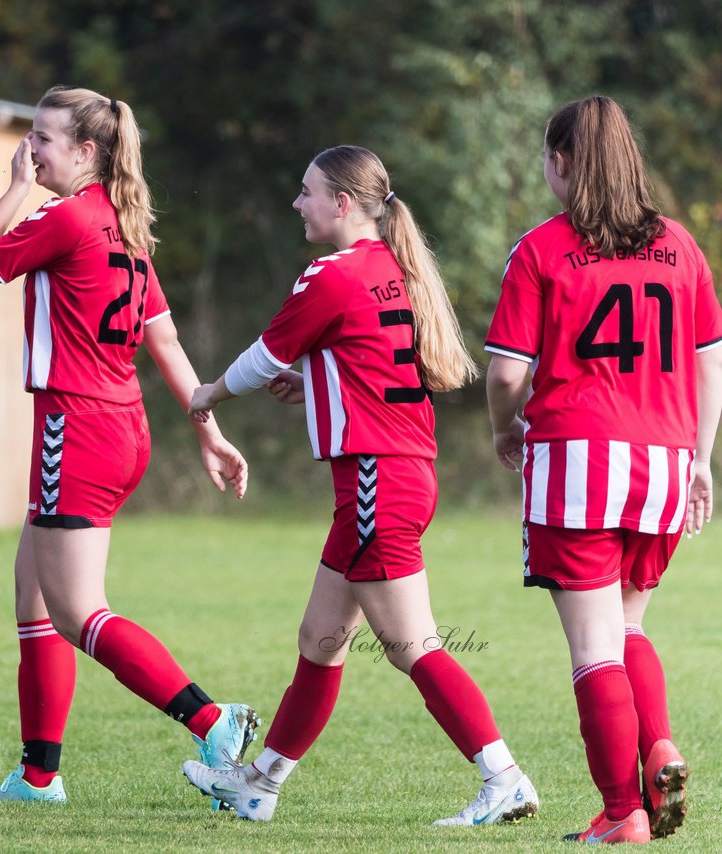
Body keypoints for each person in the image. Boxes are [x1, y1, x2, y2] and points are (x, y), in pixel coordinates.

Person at [182, 145, 538, 826]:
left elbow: (264, 356)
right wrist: (313, 383)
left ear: (343, 203)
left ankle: (505, 778)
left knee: (412, 647)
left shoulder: (334, 272)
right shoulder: (384, 266)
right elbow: (355, 361)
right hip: (388, 477)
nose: (298, 203)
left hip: (380, 479)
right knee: (320, 636)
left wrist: (210, 393)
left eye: (307, 191)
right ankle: (260, 783)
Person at [0, 85, 255, 806]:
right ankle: (37, 777)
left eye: (43, 139)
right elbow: (166, 340)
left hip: (75, 429)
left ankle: (214, 721)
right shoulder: (122, 223)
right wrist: (208, 433)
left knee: (79, 611)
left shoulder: (66, 217)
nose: (30, 149)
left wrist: (14, 192)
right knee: (33, 597)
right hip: (119, 426)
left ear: (86, 153)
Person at [485, 95, 721, 844]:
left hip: (579, 461)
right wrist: (702, 459)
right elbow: (710, 362)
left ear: (561, 162)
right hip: (664, 462)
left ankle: (623, 815)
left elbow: (502, 373)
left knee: (592, 651)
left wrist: (503, 428)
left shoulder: (543, 249)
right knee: (627, 627)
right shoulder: (682, 246)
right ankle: (660, 746)